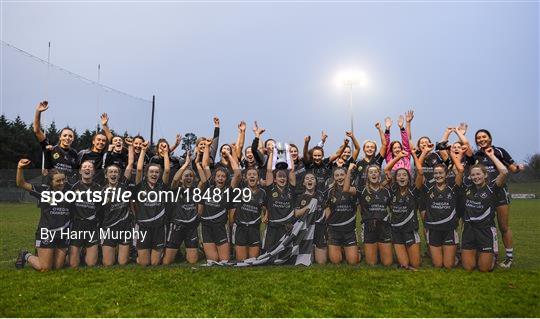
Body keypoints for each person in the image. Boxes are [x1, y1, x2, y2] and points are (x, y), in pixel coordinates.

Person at [469, 129, 524, 268]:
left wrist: (519, 168)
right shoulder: (476, 155)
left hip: (499, 193)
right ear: (476, 141)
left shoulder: (499, 151)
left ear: (490, 138)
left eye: (484, 137)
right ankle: (489, 253)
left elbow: (512, 169)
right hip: (483, 195)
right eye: (479, 138)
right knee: (484, 225)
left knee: (503, 226)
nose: (482, 139)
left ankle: (509, 258)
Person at [413, 144, 463, 269]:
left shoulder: (452, 186)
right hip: (434, 229)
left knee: (448, 265)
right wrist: (422, 153)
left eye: (441, 173)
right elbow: (419, 170)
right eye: (436, 173)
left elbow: (461, 170)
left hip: (449, 229)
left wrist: (452, 153)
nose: (438, 175)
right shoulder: (428, 187)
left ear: (446, 175)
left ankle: (455, 255)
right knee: (438, 264)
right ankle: (440, 252)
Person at [15, 159, 71, 271]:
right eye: (58, 181)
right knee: (45, 268)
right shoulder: (44, 192)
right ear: (51, 182)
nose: (61, 183)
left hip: (63, 232)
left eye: (63, 180)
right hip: (47, 232)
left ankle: (48, 253)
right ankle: (25, 255)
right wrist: (20, 168)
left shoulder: (70, 192)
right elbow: (21, 183)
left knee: (58, 266)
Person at [461, 147, 508, 272]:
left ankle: (491, 256)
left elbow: (504, 172)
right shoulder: (467, 187)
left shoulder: (492, 188)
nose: (476, 177)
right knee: (468, 267)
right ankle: (476, 252)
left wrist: (492, 156)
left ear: (485, 174)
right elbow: (459, 170)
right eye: (473, 175)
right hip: (469, 230)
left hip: (485, 230)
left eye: (478, 174)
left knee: (484, 269)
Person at [198, 141, 241, 264]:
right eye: (218, 176)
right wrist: (207, 146)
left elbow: (237, 174)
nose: (221, 178)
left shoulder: (229, 191)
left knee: (224, 260)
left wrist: (228, 153)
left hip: (220, 228)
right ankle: (205, 247)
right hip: (206, 227)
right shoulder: (207, 187)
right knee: (213, 260)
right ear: (214, 178)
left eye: (223, 176)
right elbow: (205, 165)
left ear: (226, 179)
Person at [163, 151, 206, 265]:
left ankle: (201, 251)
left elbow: (204, 181)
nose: (189, 177)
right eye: (186, 176)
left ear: (194, 179)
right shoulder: (176, 190)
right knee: (167, 262)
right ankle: (173, 252)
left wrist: (196, 163)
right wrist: (186, 164)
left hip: (191, 226)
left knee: (192, 261)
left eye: (191, 176)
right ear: (182, 179)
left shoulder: (196, 190)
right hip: (177, 225)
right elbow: (175, 180)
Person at [133, 140, 171, 266]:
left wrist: (166, 154)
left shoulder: (162, 186)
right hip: (143, 227)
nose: (154, 174)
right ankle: (139, 256)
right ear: (146, 174)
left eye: (156, 172)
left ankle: (154, 253)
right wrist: (143, 150)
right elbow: (138, 169)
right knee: (144, 263)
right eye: (151, 172)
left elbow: (167, 171)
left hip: (159, 227)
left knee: (154, 263)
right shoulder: (141, 186)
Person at [99, 142, 134, 266]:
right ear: (106, 175)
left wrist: (130, 146)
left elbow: (130, 164)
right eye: (111, 172)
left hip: (124, 227)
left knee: (122, 262)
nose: (113, 174)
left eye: (116, 172)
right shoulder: (101, 190)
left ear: (119, 175)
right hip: (108, 227)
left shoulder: (124, 185)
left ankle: (127, 252)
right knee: (108, 263)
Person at [231, 155, 272, 261]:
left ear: (258, 178)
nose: (252, 176)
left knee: (253, 261)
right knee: (241, 261)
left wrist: (266, 215)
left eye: (254, 174)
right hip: (241, 227)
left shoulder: (262, 193)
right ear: (245, 178)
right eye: (249, 174)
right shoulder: (239, 190)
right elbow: (237, 174)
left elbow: (265, 207)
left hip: (254, 228)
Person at [384, 151, 421, 270]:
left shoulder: (413, 190)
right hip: (396, 230)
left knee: (415, 264)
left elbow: (420, 172)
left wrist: (414, 156)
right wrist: (399, 156)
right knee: (405, 265)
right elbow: (387, 170)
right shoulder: (393, 190)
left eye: (404, 175)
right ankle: (404, 260)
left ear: (408, 177)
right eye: (399, 175)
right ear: (396, 178)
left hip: (410, 229)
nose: (401, 177)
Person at [354, 164, 393, 266]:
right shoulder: (362, 190)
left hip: (384, 226)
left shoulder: (386, 191)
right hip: (369, 226)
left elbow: (393, 208)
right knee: (371, 263)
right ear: (367, 175)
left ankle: (380, 250)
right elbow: (346, 190)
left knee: (387, 263)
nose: (373, 174)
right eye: (370, 172)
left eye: (375, 172)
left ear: (379, 174)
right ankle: (362, 251)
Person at [33, 101, 79, 182]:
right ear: (60, 137)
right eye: (65, 135)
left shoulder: (74, 154)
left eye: (70, 136)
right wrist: (38, 112)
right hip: (50, 188)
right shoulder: (50, 149)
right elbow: (37, 131)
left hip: (66, 190)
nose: (67, 138)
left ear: (73, 139)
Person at [262, 148, 297, 253]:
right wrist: (272, 153)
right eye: (279, 177)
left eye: (284, 177)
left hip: (286, 227)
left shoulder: (291, 189)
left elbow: (291, 170)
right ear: (275, 179)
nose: (282, 179)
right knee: (268, 254)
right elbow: (268, 170)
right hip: (272, 227)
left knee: (285, 255)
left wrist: (289, 154)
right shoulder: (271, 188)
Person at [68, 160, 101, 267]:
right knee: (73, 264)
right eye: (85, 167)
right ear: (80, 171)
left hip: (92, 227)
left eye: (90, 167)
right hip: (77, 226)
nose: (87, 168)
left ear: (94, 172)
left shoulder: (99, 189)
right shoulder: (73, 188)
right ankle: (73, 253)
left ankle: (84, 252)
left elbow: (102, 209)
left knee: (91, 264)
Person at [325, 165, 360, 265]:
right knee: (336, 261)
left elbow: (346, 189)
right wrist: (328, 224)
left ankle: (353, 251)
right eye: (337, 175)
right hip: (334, 231)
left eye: (342, 175)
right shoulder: (330, 191)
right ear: (334, 178)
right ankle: (339, 249)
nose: (339, 177)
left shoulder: (353, 189)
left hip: (349, 231)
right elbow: (327, 207)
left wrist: (349, 170)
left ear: (346, 176)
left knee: (353, 261)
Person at [294, 172, 328, 264]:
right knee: (309, 260)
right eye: (307, 178)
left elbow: (327, 208)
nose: (309, 180)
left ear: (316, 183)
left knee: (321, 262)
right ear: (304, 183)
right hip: (306, 229)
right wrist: (309, 206)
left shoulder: (321, 195)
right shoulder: (299, 197)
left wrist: (325, 221)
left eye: (312, 178)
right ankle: (311, 247)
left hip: (319, 228)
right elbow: (296, 213)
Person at [355, 122, 387, 188]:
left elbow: (384, 144)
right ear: (364, 149)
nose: (370, 149)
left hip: (375, 192)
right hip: (361, 193)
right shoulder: (358, 163)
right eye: (367, 147)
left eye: (372, 147)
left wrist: (379, 129)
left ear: (375, 150)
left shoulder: (378, 160)